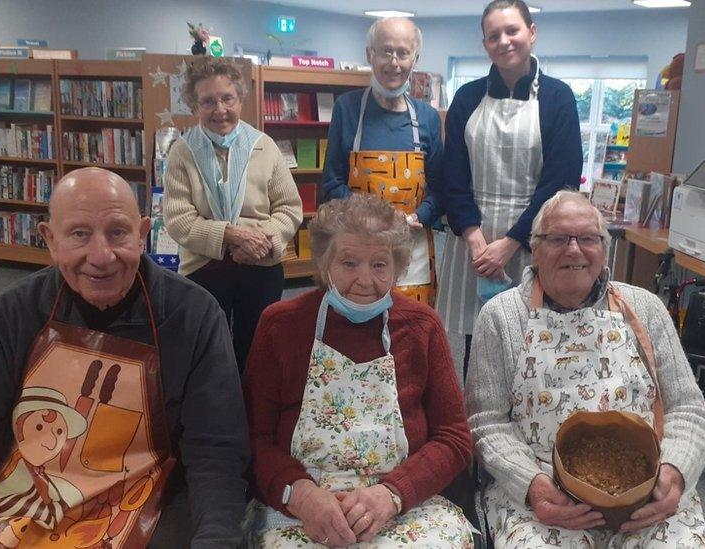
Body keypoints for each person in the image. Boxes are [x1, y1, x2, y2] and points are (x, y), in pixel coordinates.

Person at [0, 168, 250, 548]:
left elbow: (216, 451)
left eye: (118, 233)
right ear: (50, 239)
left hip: (139, 504)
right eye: (79, 234)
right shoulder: (14, 311)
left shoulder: (193, 315)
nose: (101, 256)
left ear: (143, 234)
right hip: (25, 501)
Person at [465, 191, 705, 548]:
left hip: (644, 492)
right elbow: (486, 422)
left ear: (604, 249)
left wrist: (674, 473)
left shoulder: (645, 307)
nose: (574, 250)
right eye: (559, 239)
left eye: (588, 239)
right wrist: (531, 485)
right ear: (535, 249)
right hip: (546, 494)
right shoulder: (502, 317)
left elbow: (688, 408)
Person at [243, 194, 474, 547]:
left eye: (379, 265)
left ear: (398, 268)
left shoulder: (422, 326)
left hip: (401, 507)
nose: (365, 280)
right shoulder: (281, 325)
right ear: (323, 265)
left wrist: (392, 494)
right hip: (302, 510)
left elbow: (454, 438)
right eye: (349, 263)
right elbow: (253, 438)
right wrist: (300, 495)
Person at [436, 0, 583, 383]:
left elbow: (561, 180)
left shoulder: (557, 98)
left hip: (534, 238)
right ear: (484, 44)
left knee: (533, 337)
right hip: (474, 241)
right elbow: (452, 176)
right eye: (493, 35)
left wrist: (512, 241)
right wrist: (475, 240)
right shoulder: (467, 98)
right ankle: (479, 425)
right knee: (478, 340)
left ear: (531, 33)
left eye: (512, 31)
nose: (504, 41)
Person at [164, 56, 303, 372]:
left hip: (260, 260)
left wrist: (259, 242)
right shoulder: (182, 153)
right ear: (194, 105)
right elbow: (178, 219)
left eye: (227, 98)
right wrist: (231, 235)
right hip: (203, 263)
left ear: (240, 99)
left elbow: (289, 209)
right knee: (204, 348)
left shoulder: (264, 147)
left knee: (256, 348)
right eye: (208, 101)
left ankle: (253, 410)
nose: (220, 110)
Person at [321, 17, 443, 306]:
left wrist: (416, 217)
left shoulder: (427, 118)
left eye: (402, 53)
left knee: (411, 329)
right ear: (369, 55)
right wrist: (374, 219)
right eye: (385, 51)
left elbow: (441, 190)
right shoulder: (347, 109)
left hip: (411, 254)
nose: (394, 62)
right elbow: (331, 184)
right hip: (356, 250)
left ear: (416, 58)